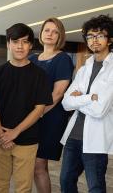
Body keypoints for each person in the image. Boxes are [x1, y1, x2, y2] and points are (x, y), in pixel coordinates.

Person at [0, 23, 53, 193]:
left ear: (31, 45)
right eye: (15, 41)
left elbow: (39, 109)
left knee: (23, 188)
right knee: (0, 186)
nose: (20, 46)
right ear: (8, 44)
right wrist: (2, 135)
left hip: (27, 140)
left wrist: (15, 132)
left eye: (25, 42)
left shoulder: (40, 75)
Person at [60, 14, 113, 193]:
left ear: (110, 39)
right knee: (66, 182)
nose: (94, 40)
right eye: (90, 36)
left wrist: (80, 97)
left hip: (96, 139)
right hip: (73, 136)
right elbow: (66, 103)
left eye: (100, 35)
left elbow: (100, 110)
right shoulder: (84, 68)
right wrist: (91, 97)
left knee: (95, 187)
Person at [29, 18, 74, 193]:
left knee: (39, 165)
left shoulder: (63, 59)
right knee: (33, 165)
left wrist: (37, 113)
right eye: (47, 30)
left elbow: (57, 94)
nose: (50, 34)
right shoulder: (32, 59)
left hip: (50, 117)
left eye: (55, 32)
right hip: (32, 117)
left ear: (60, 36)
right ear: (41, 34)